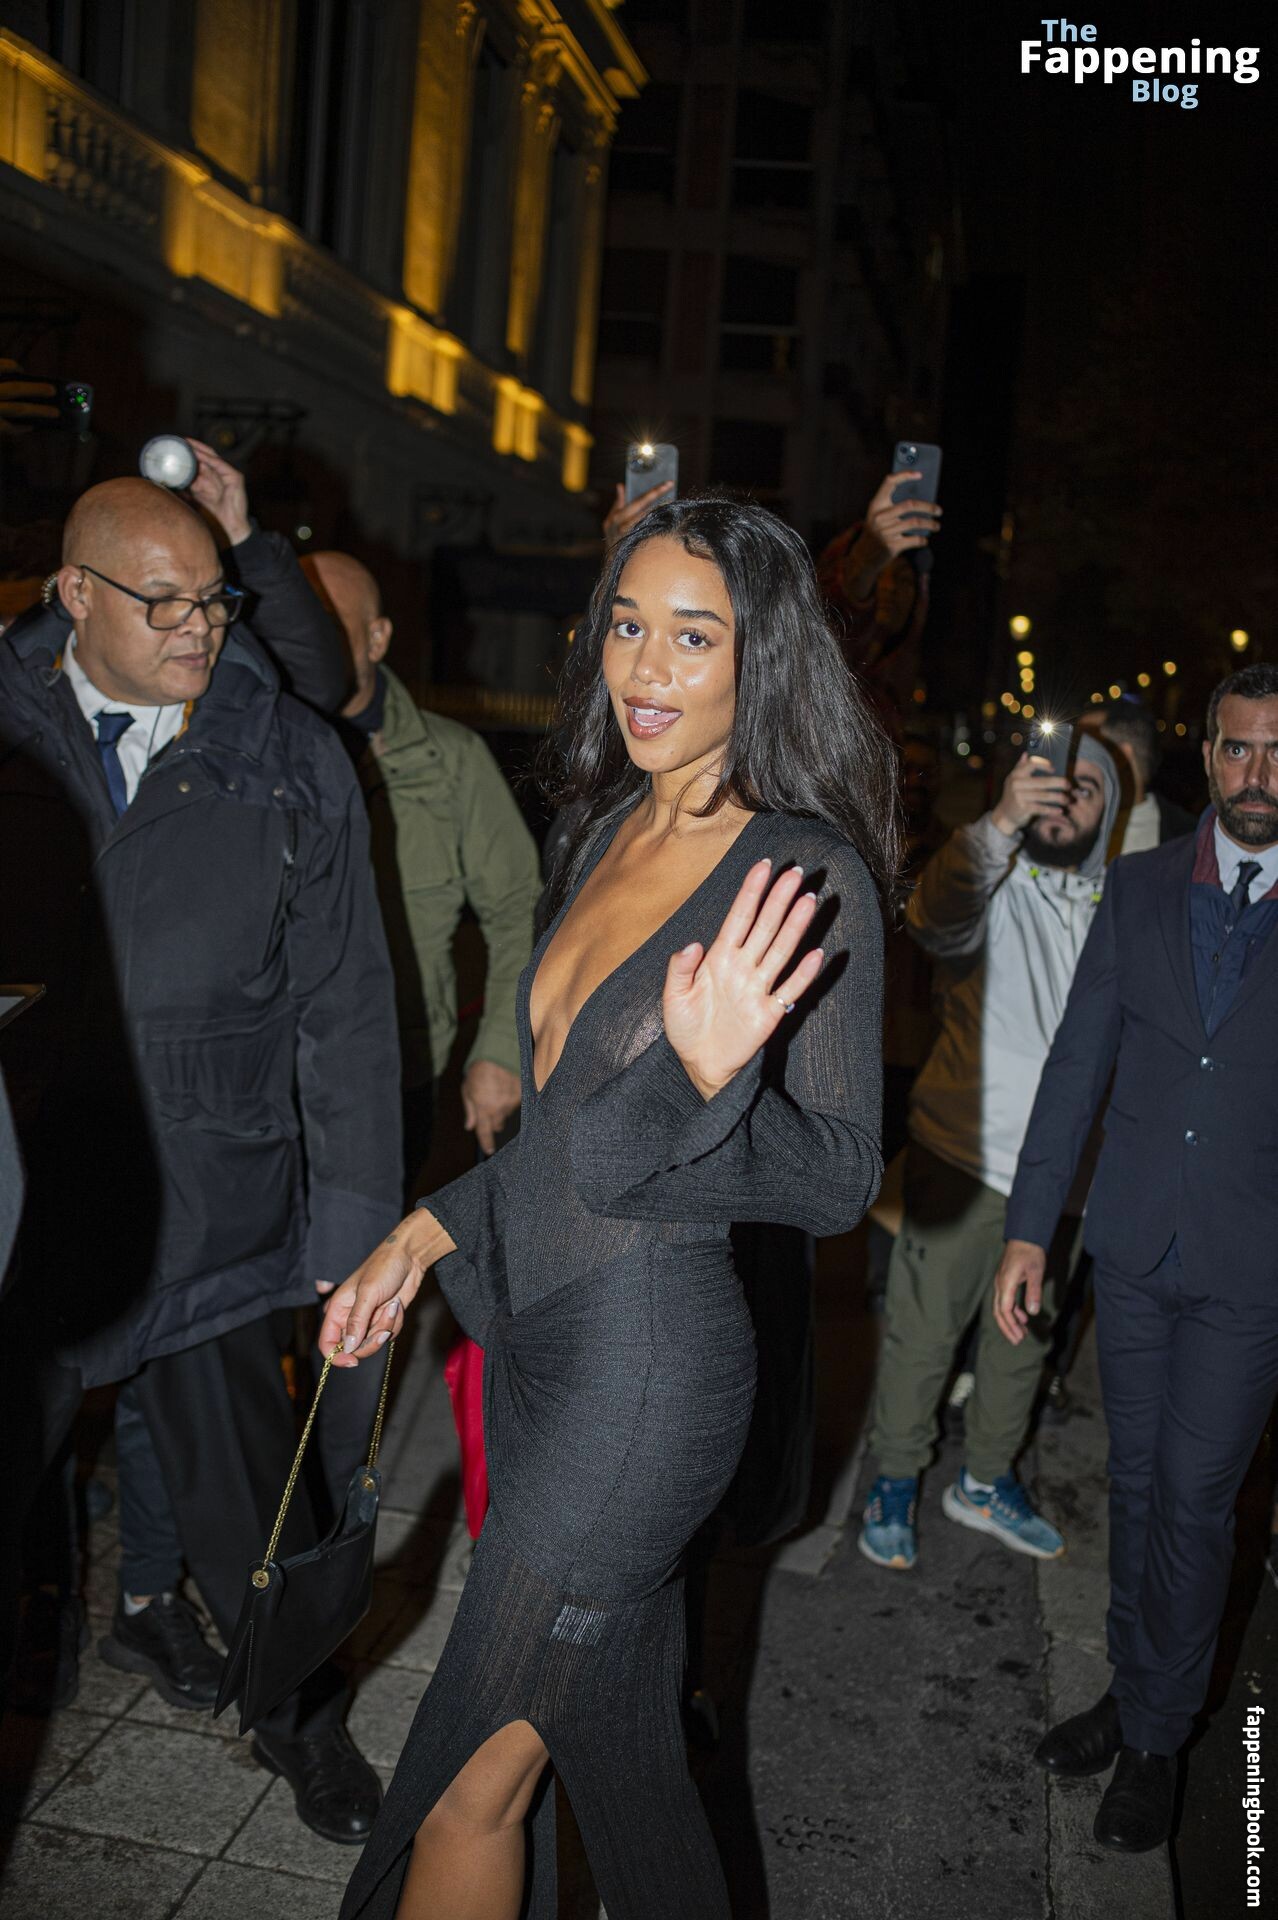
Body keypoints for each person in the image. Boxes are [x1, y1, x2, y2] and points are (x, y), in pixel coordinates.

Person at [318, 495, 897, 1920]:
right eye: (627, 625)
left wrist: (700, 1077)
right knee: (626, 1782)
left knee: (464, 1784)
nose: (643, 666)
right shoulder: (599, 829)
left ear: (763, 658)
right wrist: (426, 1230)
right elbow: (566, 1129)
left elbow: (834, 1175)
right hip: (543, 1348)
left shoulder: (802, 872)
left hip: (646, 1378)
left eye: (692, 636)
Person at [0, 478, 400, 1838]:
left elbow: (347, 1006)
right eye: (161, 603)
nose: (199, 629)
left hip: (215, 1197)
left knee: (257, 1515)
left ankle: (303, 1722)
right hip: (27, 1205)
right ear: (74, 595)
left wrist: (353, 1226)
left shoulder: (289, 755)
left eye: (215, 601)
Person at [994, 662, 1278, 1853]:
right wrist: (1029, 1228)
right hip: (1133, 1246)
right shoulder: (1144, 885)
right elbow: (1078, 1064)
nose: (1257, 774)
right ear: (1206, 756)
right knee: (1135, 1483)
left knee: (1197, 1502)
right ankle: (1131, 1687)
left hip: (1250, 1266)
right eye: (1238, 748)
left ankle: (1159, 1739)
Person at [859, 730, 1120, 1571]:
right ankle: (895, 1477)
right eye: (1052, 781)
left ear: (1111, 810)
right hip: (964, 1153)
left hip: (1064, 1175)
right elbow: (930, 915)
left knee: (1023, 1340)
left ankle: (984, 1479)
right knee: (924, 1331)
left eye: (1087, 787)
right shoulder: (992, 876)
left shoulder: (1122, 904)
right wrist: (1000, 820)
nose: (1064, 798)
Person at [299, 550, 541, 1186]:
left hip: (394, 1074)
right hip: (268, 1073)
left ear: (377, 638)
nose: (307, 640)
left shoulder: (451, 760)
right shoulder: (254, 752)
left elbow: (518, 907)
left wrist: (500, 1051)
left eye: (329, 623)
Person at [1078, 693, 1195, 855]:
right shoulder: (1057, 826)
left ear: (1120, 758)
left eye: (1086, 750)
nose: (1073, 762)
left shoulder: (1196, 842)